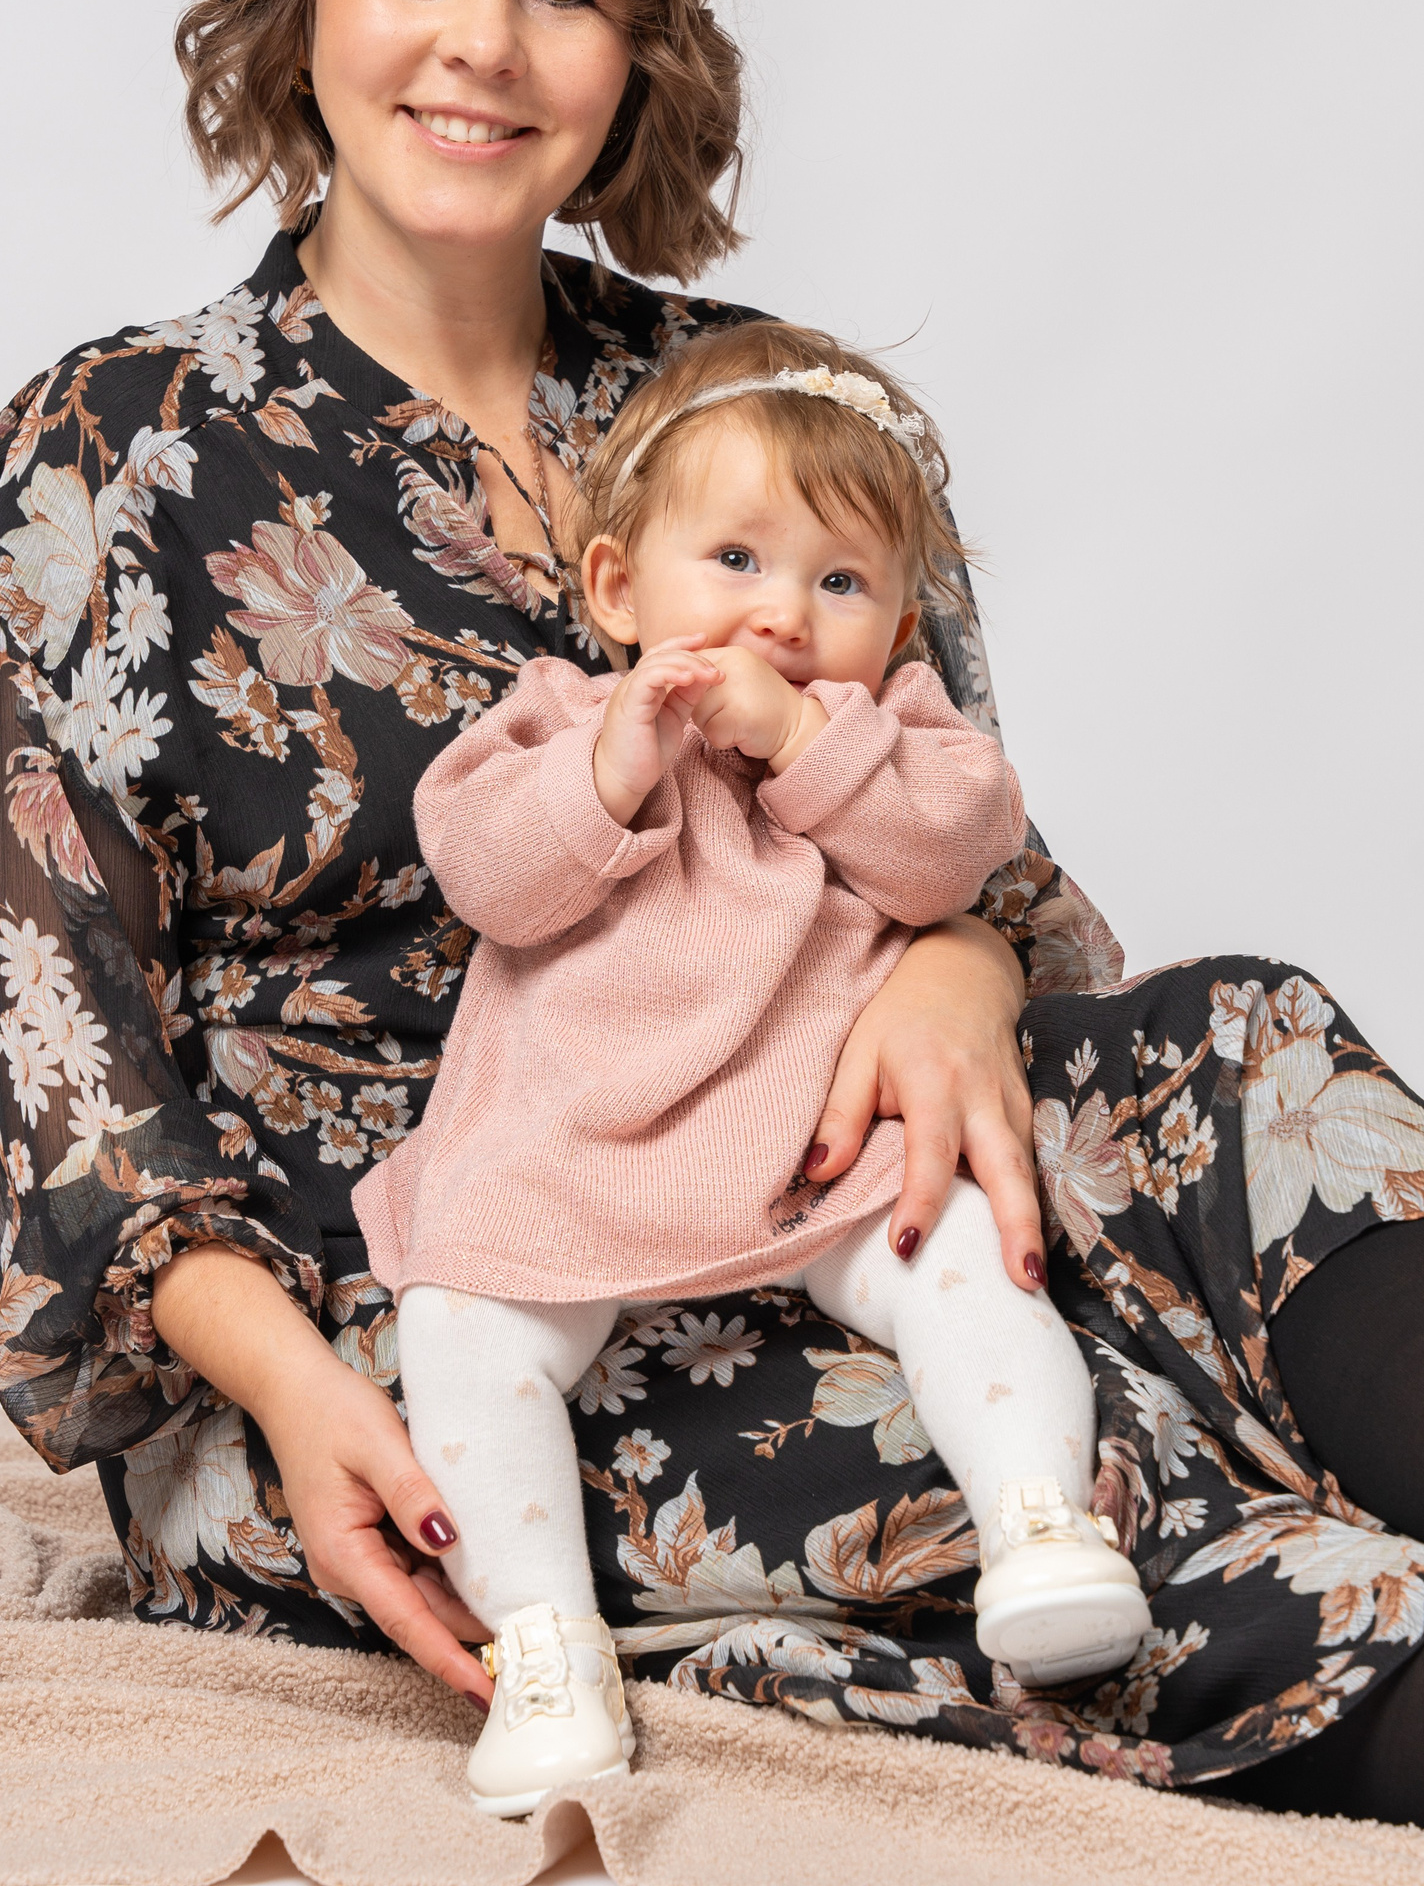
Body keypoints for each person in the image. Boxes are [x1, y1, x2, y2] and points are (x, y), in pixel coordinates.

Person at [0, 0, 1424, 1859]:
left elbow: (970, 840)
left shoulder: (747, 396)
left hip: (820, 1140)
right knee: (1103, 1501)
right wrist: (296, 1393)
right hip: (435, 1291)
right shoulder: (112, 454)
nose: (482, 44)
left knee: (1243, 1046)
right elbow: (59, 1072)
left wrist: (956, 965)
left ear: (637, 45)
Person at [356, 323, 1150, 1814]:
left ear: (899, 623)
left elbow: (948, 859)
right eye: (734, 560)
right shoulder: (553, 722)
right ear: (618, 588)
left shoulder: (896, 734)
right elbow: (492, 881)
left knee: (966, 1254)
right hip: (566, 1160)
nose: (784, 613)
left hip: (815, 1155)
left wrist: (801, 741)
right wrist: (612, 771)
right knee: (460, 1332)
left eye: (840, 583)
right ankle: (544, 1645)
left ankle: (1042, 1525)